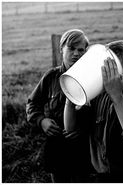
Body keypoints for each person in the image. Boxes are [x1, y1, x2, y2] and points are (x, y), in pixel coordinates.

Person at [64, 40, 123, 182]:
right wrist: (71, 96)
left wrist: (117, 96)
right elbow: (70, 127)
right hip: (101, 176)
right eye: (104, 67)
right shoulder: (100, 94)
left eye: (112, 68)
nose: (106, 75)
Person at [26, 29, 94, 182]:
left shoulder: (93, 79)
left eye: (80, 49)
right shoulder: (51, 77)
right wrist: (41, 121)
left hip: (84, 151)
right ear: (61, 49)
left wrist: (84, 128)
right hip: (57, 149)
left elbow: (100, 113)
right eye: (71, 48)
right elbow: (32, 103)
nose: (76, 54)